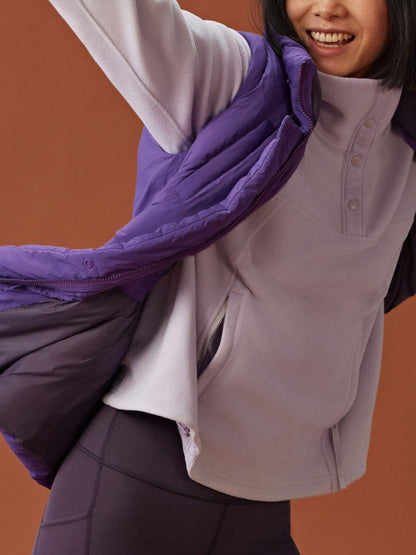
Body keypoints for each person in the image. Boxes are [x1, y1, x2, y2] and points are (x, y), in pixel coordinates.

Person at [0, 0, 415, 553]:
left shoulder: (405, 147)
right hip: (140, 474)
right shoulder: (233, 81)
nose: (327, 8)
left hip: (265, 496)